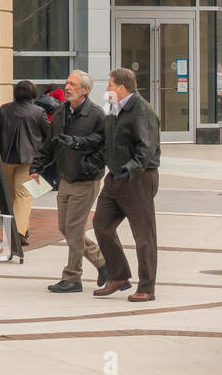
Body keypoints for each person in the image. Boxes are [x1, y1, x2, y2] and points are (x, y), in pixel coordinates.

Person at [31, 70, 108, 294]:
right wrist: (37, 166)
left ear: (85, 90)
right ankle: (104, 263)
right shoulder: (61, 112)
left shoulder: (96, 115)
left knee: (74, 230)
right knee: (64, 228)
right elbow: (50, 145)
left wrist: (88, 166)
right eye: (67, 83)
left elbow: (104, 148)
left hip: (85, 179)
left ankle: (73, 277)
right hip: (64, 178)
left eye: (72, 84)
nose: (67, 87)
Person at [93, 67, 162, 302]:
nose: (107, 89)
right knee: (101, 225)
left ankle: (147, 287)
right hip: (115, 178)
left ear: (121, 88)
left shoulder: (142, 111)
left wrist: (129, 171)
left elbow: (147, 148)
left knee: (143, 236)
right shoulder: (114, 109)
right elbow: (107, 142)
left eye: (110, 85)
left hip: (138, 179)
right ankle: (119, 276)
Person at [0, 80, 52, 245]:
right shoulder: (39, 112)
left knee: (11, 196)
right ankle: (18, 232)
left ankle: (21, 228)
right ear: (33, 93)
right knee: (24, 196)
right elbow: (49, 136)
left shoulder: (4, 109)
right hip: (29, 161)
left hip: (5, 159)